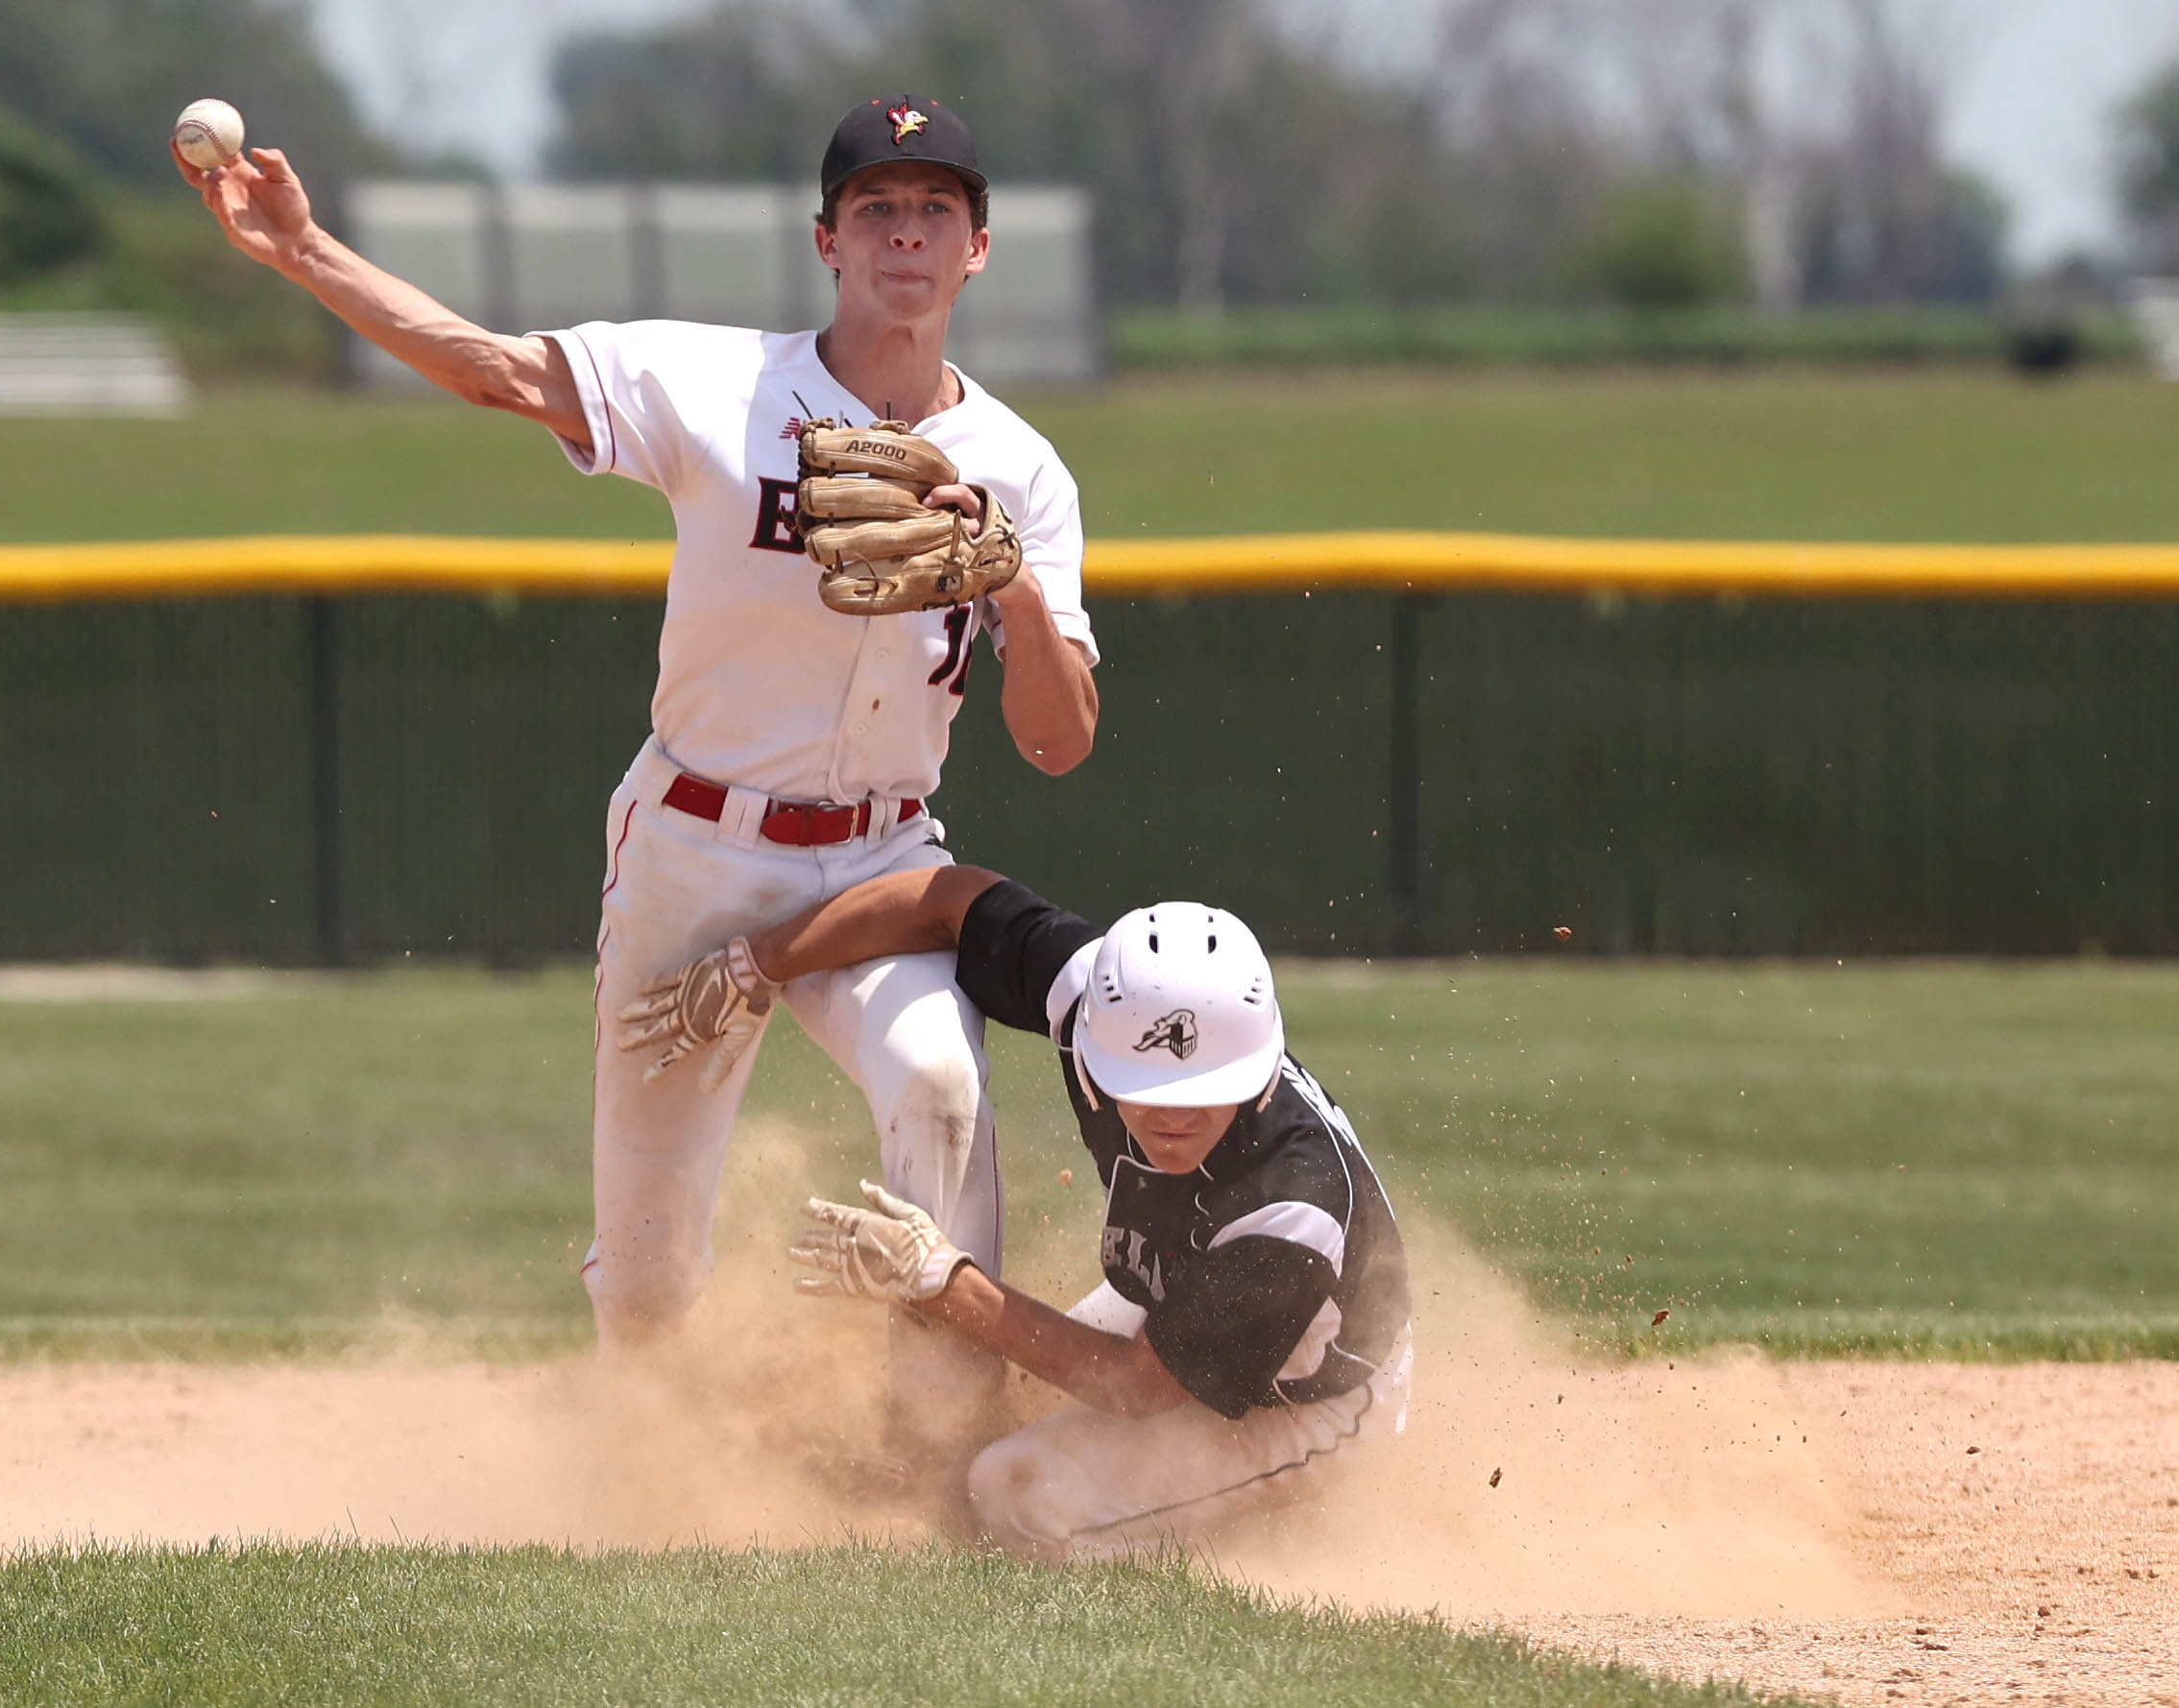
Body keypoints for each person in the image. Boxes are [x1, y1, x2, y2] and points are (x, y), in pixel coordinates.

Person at [175, 98, 1100, 1452]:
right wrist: (304, 254)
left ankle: (942, 1435)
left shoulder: (1024, 471)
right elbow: (496, 369)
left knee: (941, 1086)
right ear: (826, 240)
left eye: (937, 209)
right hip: (694, 852)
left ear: (978, 250)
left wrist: (1013, 586)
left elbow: (1059, 738)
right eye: (879, 208)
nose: (908, 230)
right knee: (654, 1278)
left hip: (888, 863)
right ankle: (648, 1470)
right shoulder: (719, 385)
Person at [621, 865, 1414, 1560]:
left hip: (1309, 1399)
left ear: (1258, 1070)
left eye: (1205, 1090)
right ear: (1100, 1046)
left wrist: (942, 1278)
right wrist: (758, 960)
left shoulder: (1290, 1210)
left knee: (1012, 1491)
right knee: (990, 1415)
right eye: (1149, 1086)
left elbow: (1135, 1387)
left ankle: (1272, 1524)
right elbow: (954, 900)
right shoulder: (1096, 1004)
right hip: (1181, 1303)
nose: (1174, 1116)